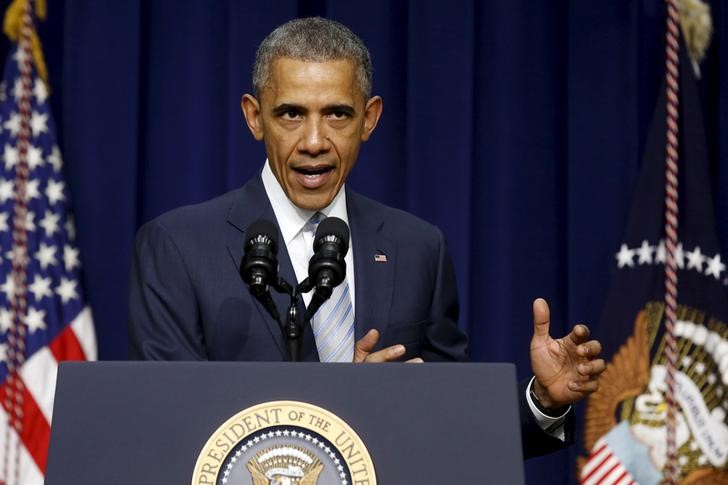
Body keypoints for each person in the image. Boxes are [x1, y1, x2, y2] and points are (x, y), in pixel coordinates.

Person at [128, 17, 605, 458]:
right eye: (291, 114)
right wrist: (351, 405)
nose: (314, 140)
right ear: (255, 118)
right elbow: (168, 429)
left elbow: (455, 426)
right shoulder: (178, 247)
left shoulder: (417, 247)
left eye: (337, 114)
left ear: (369, 118)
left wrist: (541, 399)